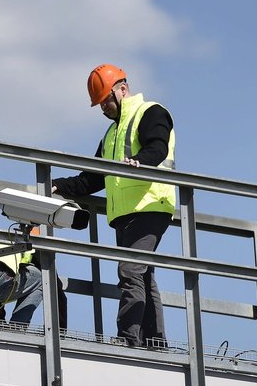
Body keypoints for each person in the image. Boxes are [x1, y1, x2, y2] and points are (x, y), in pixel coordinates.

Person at [51, 64, 175, 347]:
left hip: (150, 205)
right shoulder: (111, 135)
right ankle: (156, 342)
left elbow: (158, 148)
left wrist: (140, 163)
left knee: (130, 272)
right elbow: (92, 178)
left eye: (105, 100)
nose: (102, 108)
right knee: (143, 276)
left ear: (122, 90)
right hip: (125, 214)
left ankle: (128, 339)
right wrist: (58, 185)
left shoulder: (151, 112)